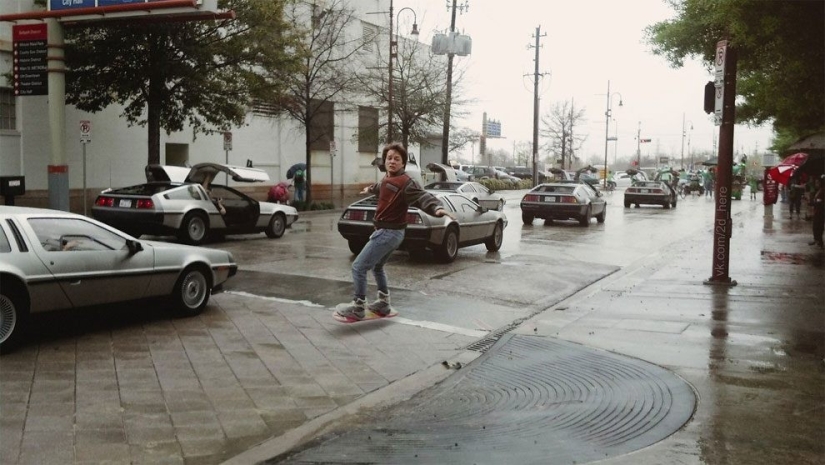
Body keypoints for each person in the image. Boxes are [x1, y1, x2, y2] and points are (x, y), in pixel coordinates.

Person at [333, 142, 456, 322]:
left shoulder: (406, 183)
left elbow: (423, 197)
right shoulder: (386, 179)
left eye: (397, 159)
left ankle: (358, 307)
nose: (392, 161)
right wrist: (369, 189)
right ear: (385, 161)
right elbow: (380, 187)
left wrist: (437, 208)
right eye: (389, 158)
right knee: (377, 266)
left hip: (388, 233)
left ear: (403, 164)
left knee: (359, 267)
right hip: (392, 234)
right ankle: (384, 302)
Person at [809, 176, 824, 248]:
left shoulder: (823, 191)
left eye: (817, 183)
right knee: (816, 226)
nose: (816, 184)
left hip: (820, 212)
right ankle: (817, 240)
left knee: (818, 226)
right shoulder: (819, 190)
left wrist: (813, 203)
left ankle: (819, 241)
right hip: (817, 211)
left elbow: (820, 202)